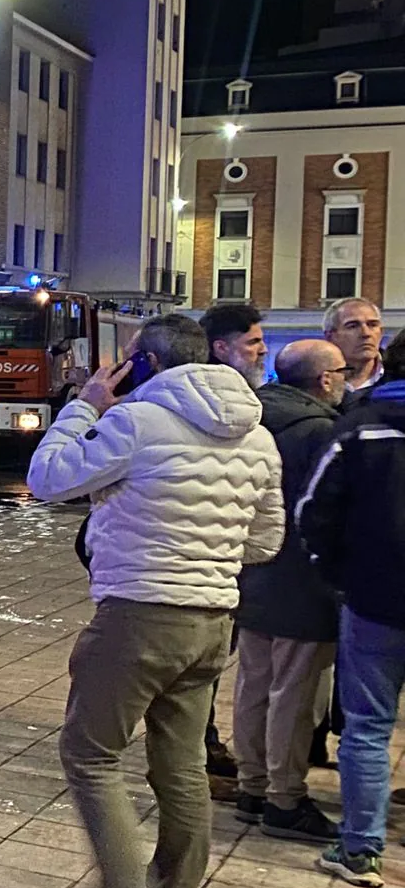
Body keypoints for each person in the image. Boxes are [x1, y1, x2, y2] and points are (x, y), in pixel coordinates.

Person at [28, 314, 283, 888]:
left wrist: (83, 408)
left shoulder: (135, 422)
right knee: (182, 765)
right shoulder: (257, 436)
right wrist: (210, 554)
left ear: (146, 364)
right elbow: (266, 540)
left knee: (89, 754)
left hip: (140, 614)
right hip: (212, 621)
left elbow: (47, 478)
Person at [229, 340, 348, 843]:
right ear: (324, 380)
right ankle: (284, 798)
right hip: (304, 580)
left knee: (254, 685)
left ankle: (251, 787)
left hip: (254, 571)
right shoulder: (323, 431)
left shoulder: (253, 421)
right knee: (296, 696)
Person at [300, 332, 405, 888]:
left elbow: (314, 509)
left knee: (367, 727)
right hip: (371, 595)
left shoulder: (362, 428)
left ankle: (361, 849)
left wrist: (337, 577)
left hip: (375, 600)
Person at [195, 301, 266, 792]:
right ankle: (196, 749)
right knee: (198, 665)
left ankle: (200, 743)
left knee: (209, 663)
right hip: (203, 563)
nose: (263, 351)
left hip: (225, 560)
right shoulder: (210, 409)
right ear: (221, 348)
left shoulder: (251, 405)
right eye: (253, 343)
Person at [322, 296, 385, 399]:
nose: (366, 333)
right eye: (353, 326)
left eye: (372, 325)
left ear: (381, 333)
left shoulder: (399, 375)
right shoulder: (313, 381)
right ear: (330, 336)